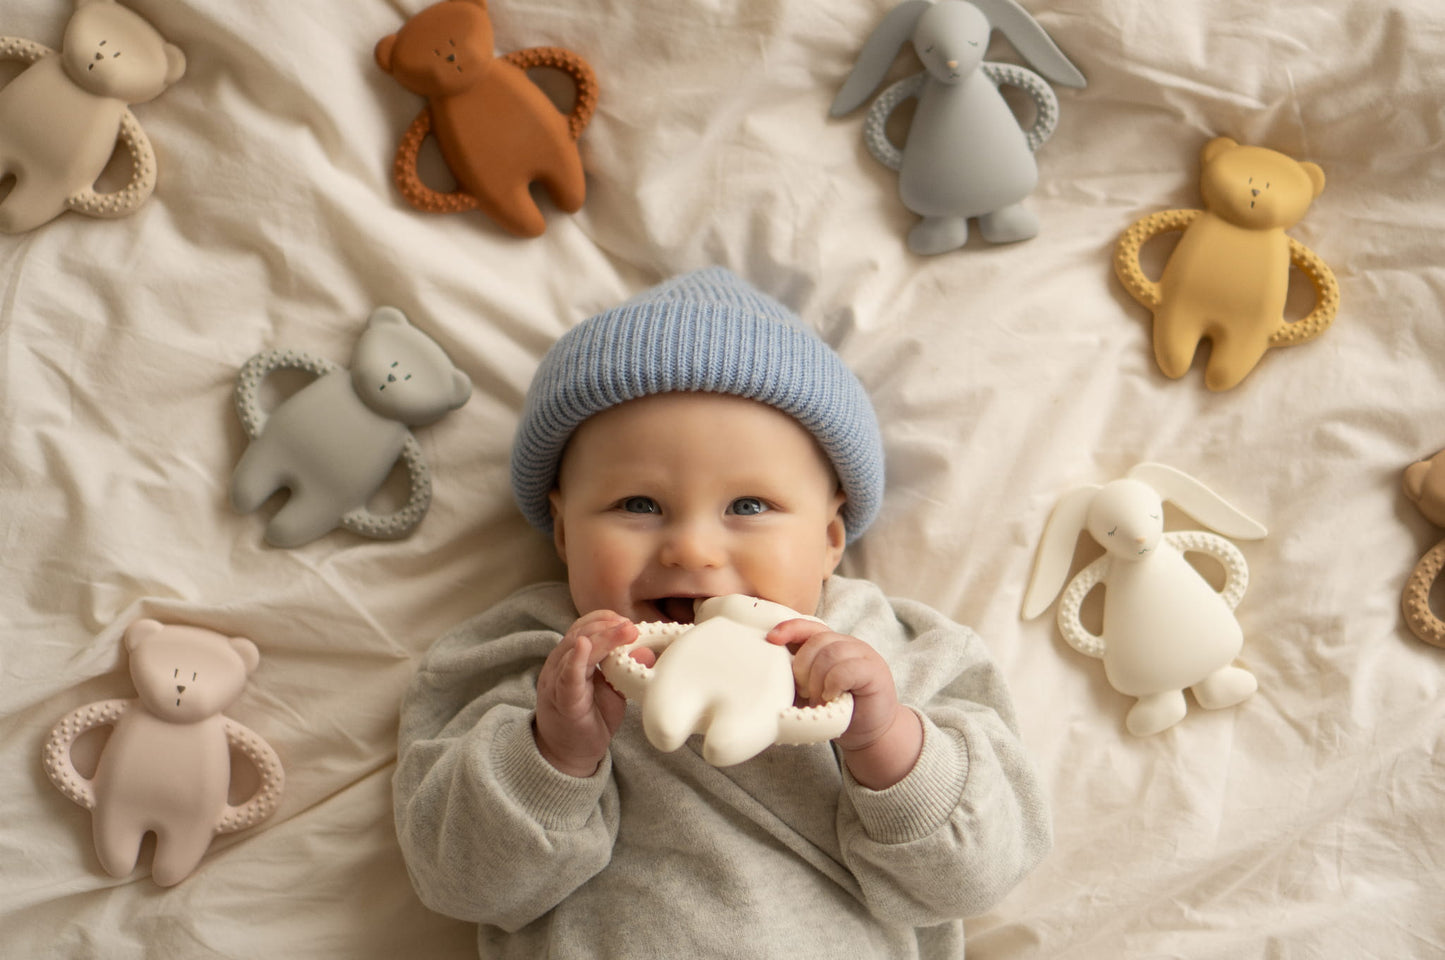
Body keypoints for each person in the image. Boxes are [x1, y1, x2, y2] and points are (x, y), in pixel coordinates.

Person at [393, 267, 1051, 959]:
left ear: (831, 538)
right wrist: (553, 755)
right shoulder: (526, 658)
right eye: (637, 505)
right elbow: (458, 884)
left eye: (748, 506)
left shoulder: (902, 652)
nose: (693, 550)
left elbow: (979, 878)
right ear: (562, 532)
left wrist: (884, 742)